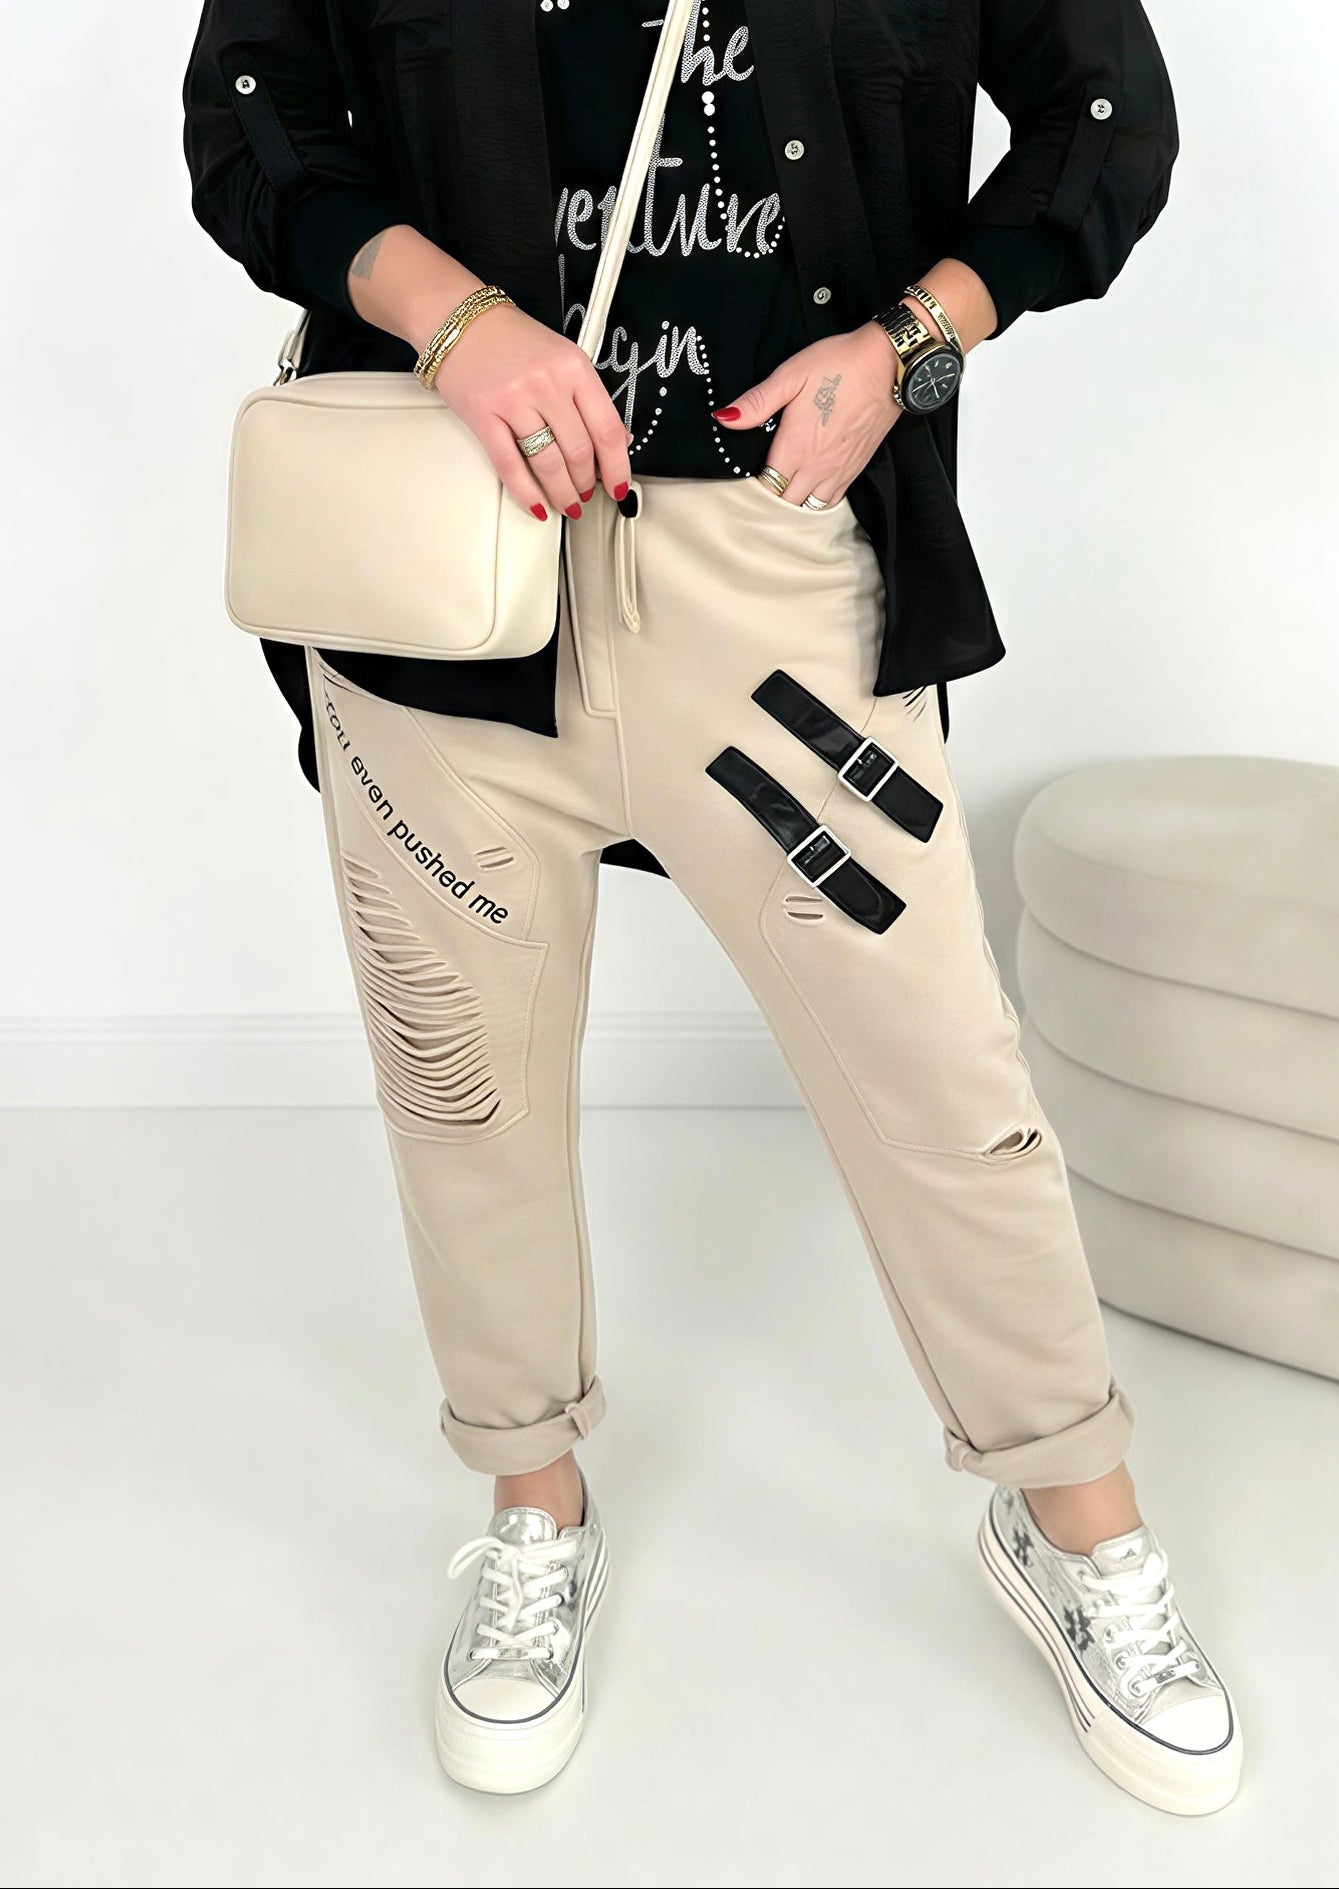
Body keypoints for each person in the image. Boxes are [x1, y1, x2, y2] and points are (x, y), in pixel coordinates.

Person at [184, 0, 1238, 1815]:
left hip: (778, 576)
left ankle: (1078, 1520)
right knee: (461, 1080)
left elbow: (1105, 117)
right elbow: (252, 112)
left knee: (940, 1084)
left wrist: (906, 345)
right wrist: (457, 323)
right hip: (443, 563)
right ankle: (533, 1501)